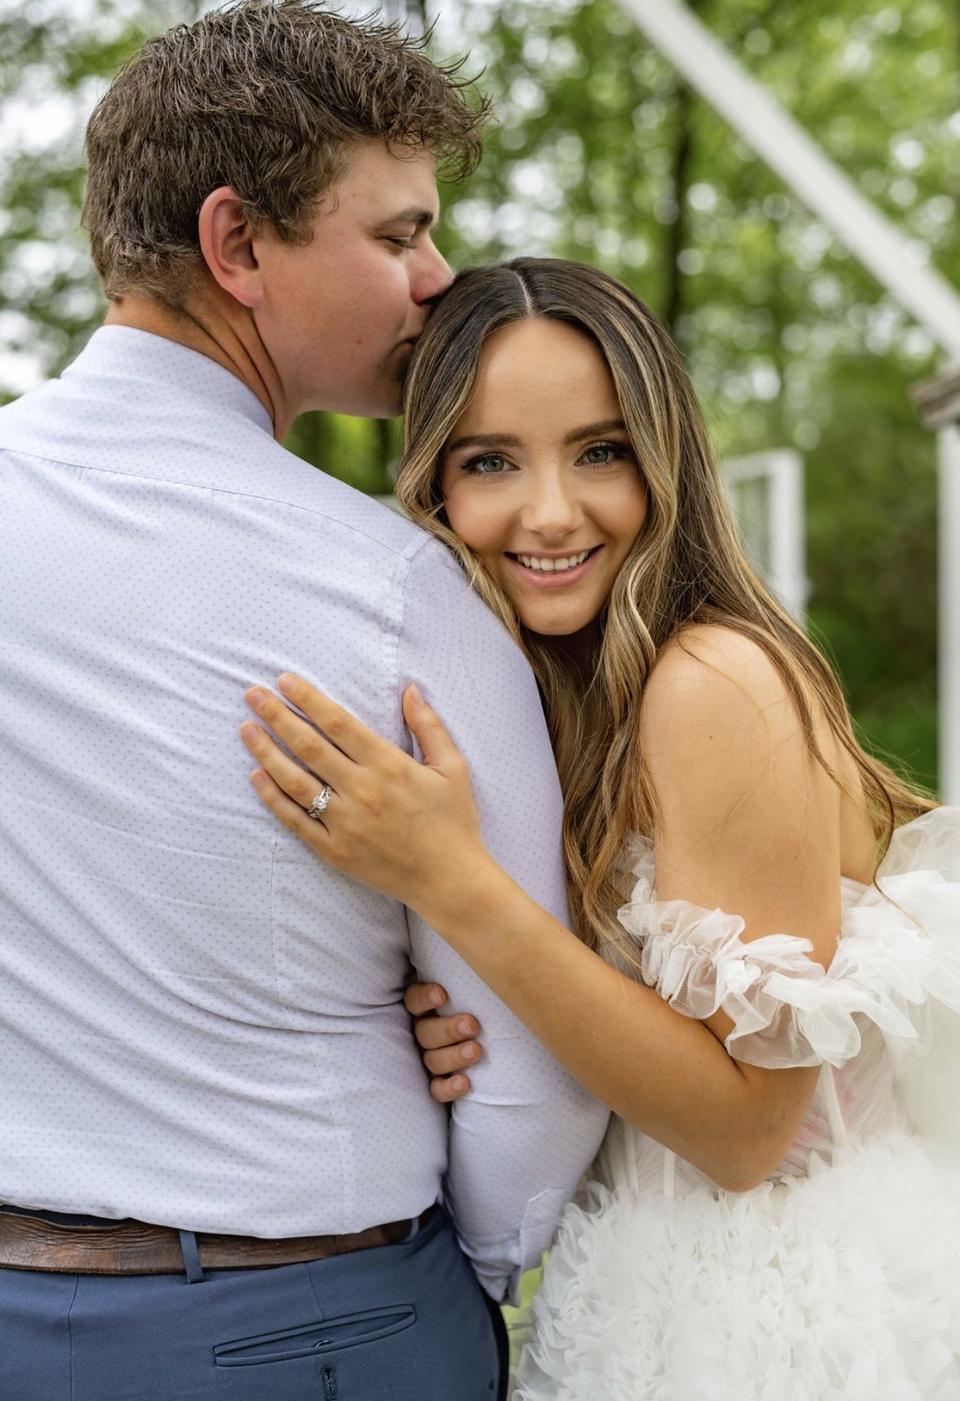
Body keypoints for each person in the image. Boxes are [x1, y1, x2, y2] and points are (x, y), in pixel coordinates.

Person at [0, 10, 608, 1397]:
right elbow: (527, 1070)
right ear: (238, 245)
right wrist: (482, 1264)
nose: (438, 279)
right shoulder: (396, 587)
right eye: (399, 235)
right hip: (309, 1323)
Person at [242, 257, 960, 1399]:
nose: (550, 512)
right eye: (491, 460)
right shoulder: (556, 698)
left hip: (776, 1316)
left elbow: (747, 1133)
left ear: (665, 461)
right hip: (647, 1282)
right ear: (434, 487)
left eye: (601, 451)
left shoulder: (715, 680)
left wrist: (453, 883)